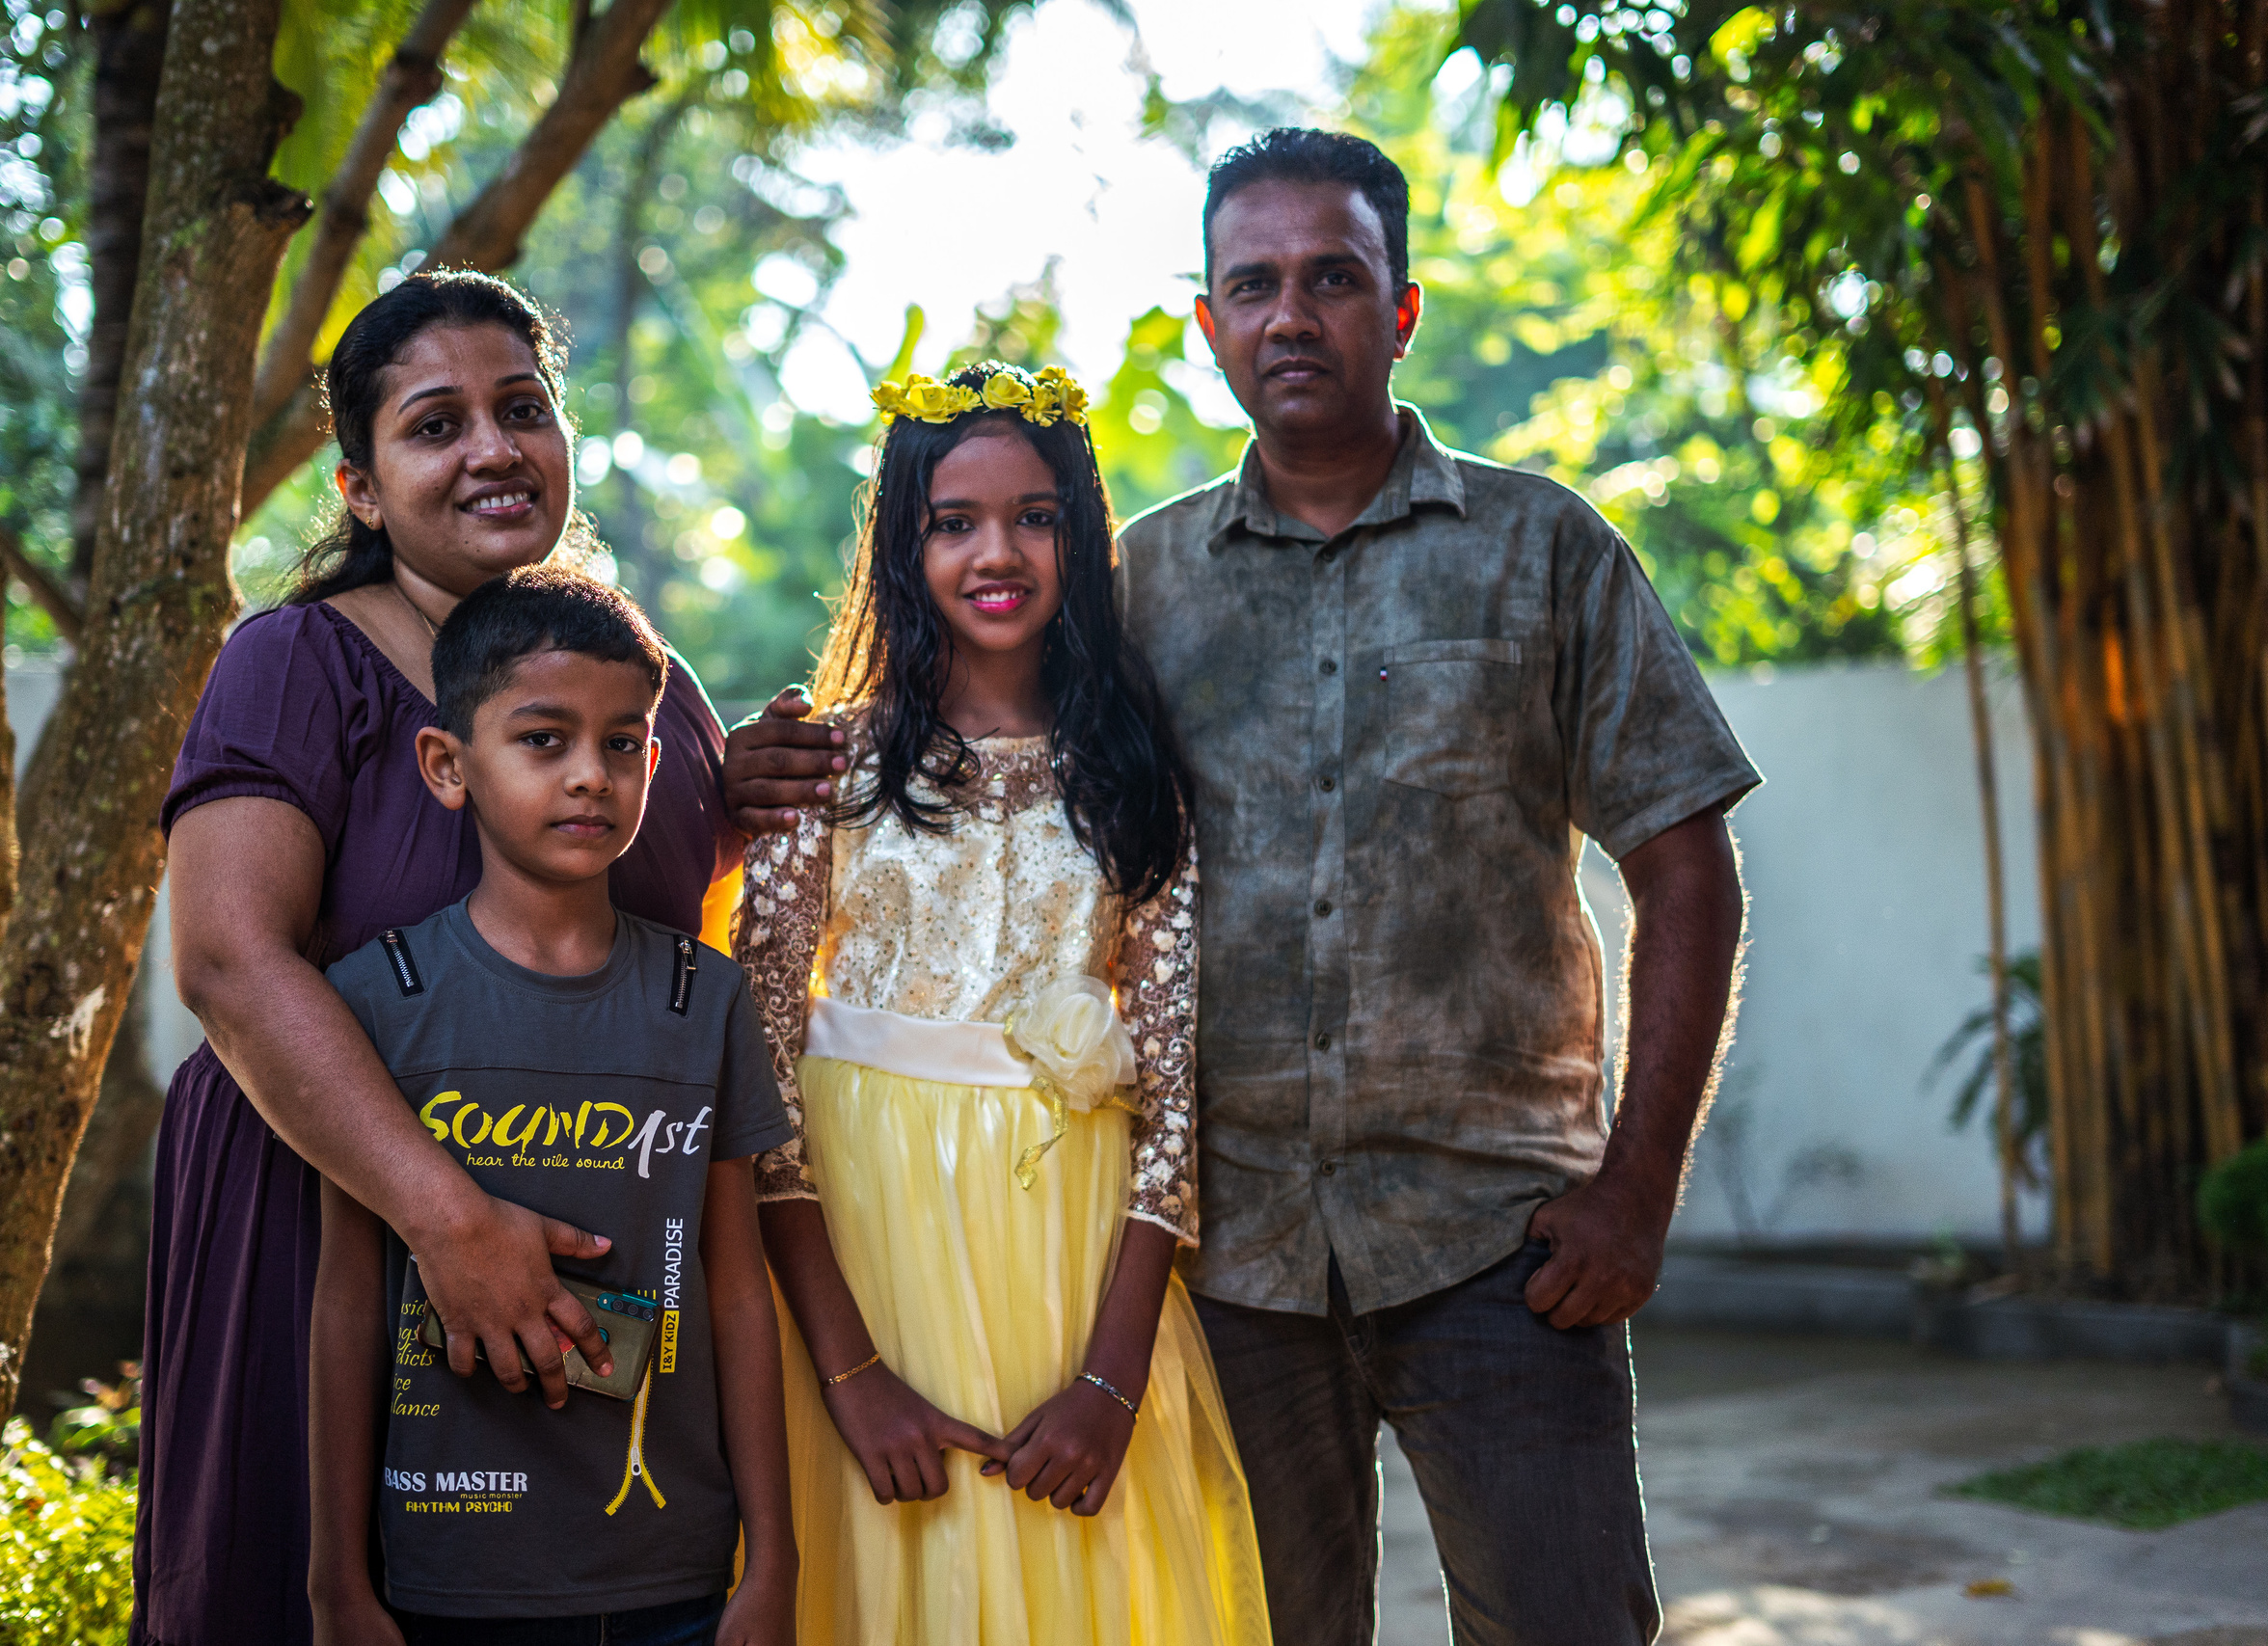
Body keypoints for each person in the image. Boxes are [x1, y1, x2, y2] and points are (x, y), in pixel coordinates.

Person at [722, 130, 1757, 1646]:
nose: (1292, 315)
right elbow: (977, 735)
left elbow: (1687, 864)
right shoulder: (1135, 584)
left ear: (1401, 308)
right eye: (1253, 284)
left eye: (1333, 278)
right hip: (1236, 1264)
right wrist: (764, 766)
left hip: (1498, 1241)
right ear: (1206, 321)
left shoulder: (1544, 551)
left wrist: (1639, 1187)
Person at [145, 271, 739, 1646]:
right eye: (436, 423)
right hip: (330, 1226)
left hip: (601, 1267)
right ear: (359, 484)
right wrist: (451, 1223)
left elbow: (674, 930)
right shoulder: (296, 662)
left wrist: (747, 776)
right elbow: (230, 959)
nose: (491, 447)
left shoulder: (640, 674)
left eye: (521, 408)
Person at [733, 362, 1271, 1645]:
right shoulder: (827, 765)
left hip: (1068, 1276)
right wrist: (851, 1374)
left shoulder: (1138, 780)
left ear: (1079, 538)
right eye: (954, 519)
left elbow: (1170, 1107)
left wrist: (1109, 1378)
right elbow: (761, 1088)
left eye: (1035, 517)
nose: (998, 551)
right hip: (862, 1260)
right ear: (900, 539)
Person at [309, 566, 795, 1646]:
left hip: (671, 1573)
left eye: (622, 743)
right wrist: (336, 1579)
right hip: (445, 1578)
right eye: (543, 740)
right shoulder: (372, 1001)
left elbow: (737, 1293)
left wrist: (774, 1561)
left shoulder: (703, 998)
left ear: (655, 764)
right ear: (448, 764)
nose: (590, 776)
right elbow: (347, 1302)